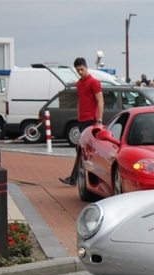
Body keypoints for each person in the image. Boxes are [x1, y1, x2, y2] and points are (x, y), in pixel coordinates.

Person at [59, 57, 104, 186]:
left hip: (91, 120)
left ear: (86, 67)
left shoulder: (94, 82)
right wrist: (78, 116)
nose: (80, 72)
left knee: (83, 149)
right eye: (78, 70)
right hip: (82, 120)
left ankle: (75, 178)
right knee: (83, 150)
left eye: (81, 69)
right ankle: (78, 177)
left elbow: (100, 101)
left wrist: (99, 120)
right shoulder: (79, 84)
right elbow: (80, 101)